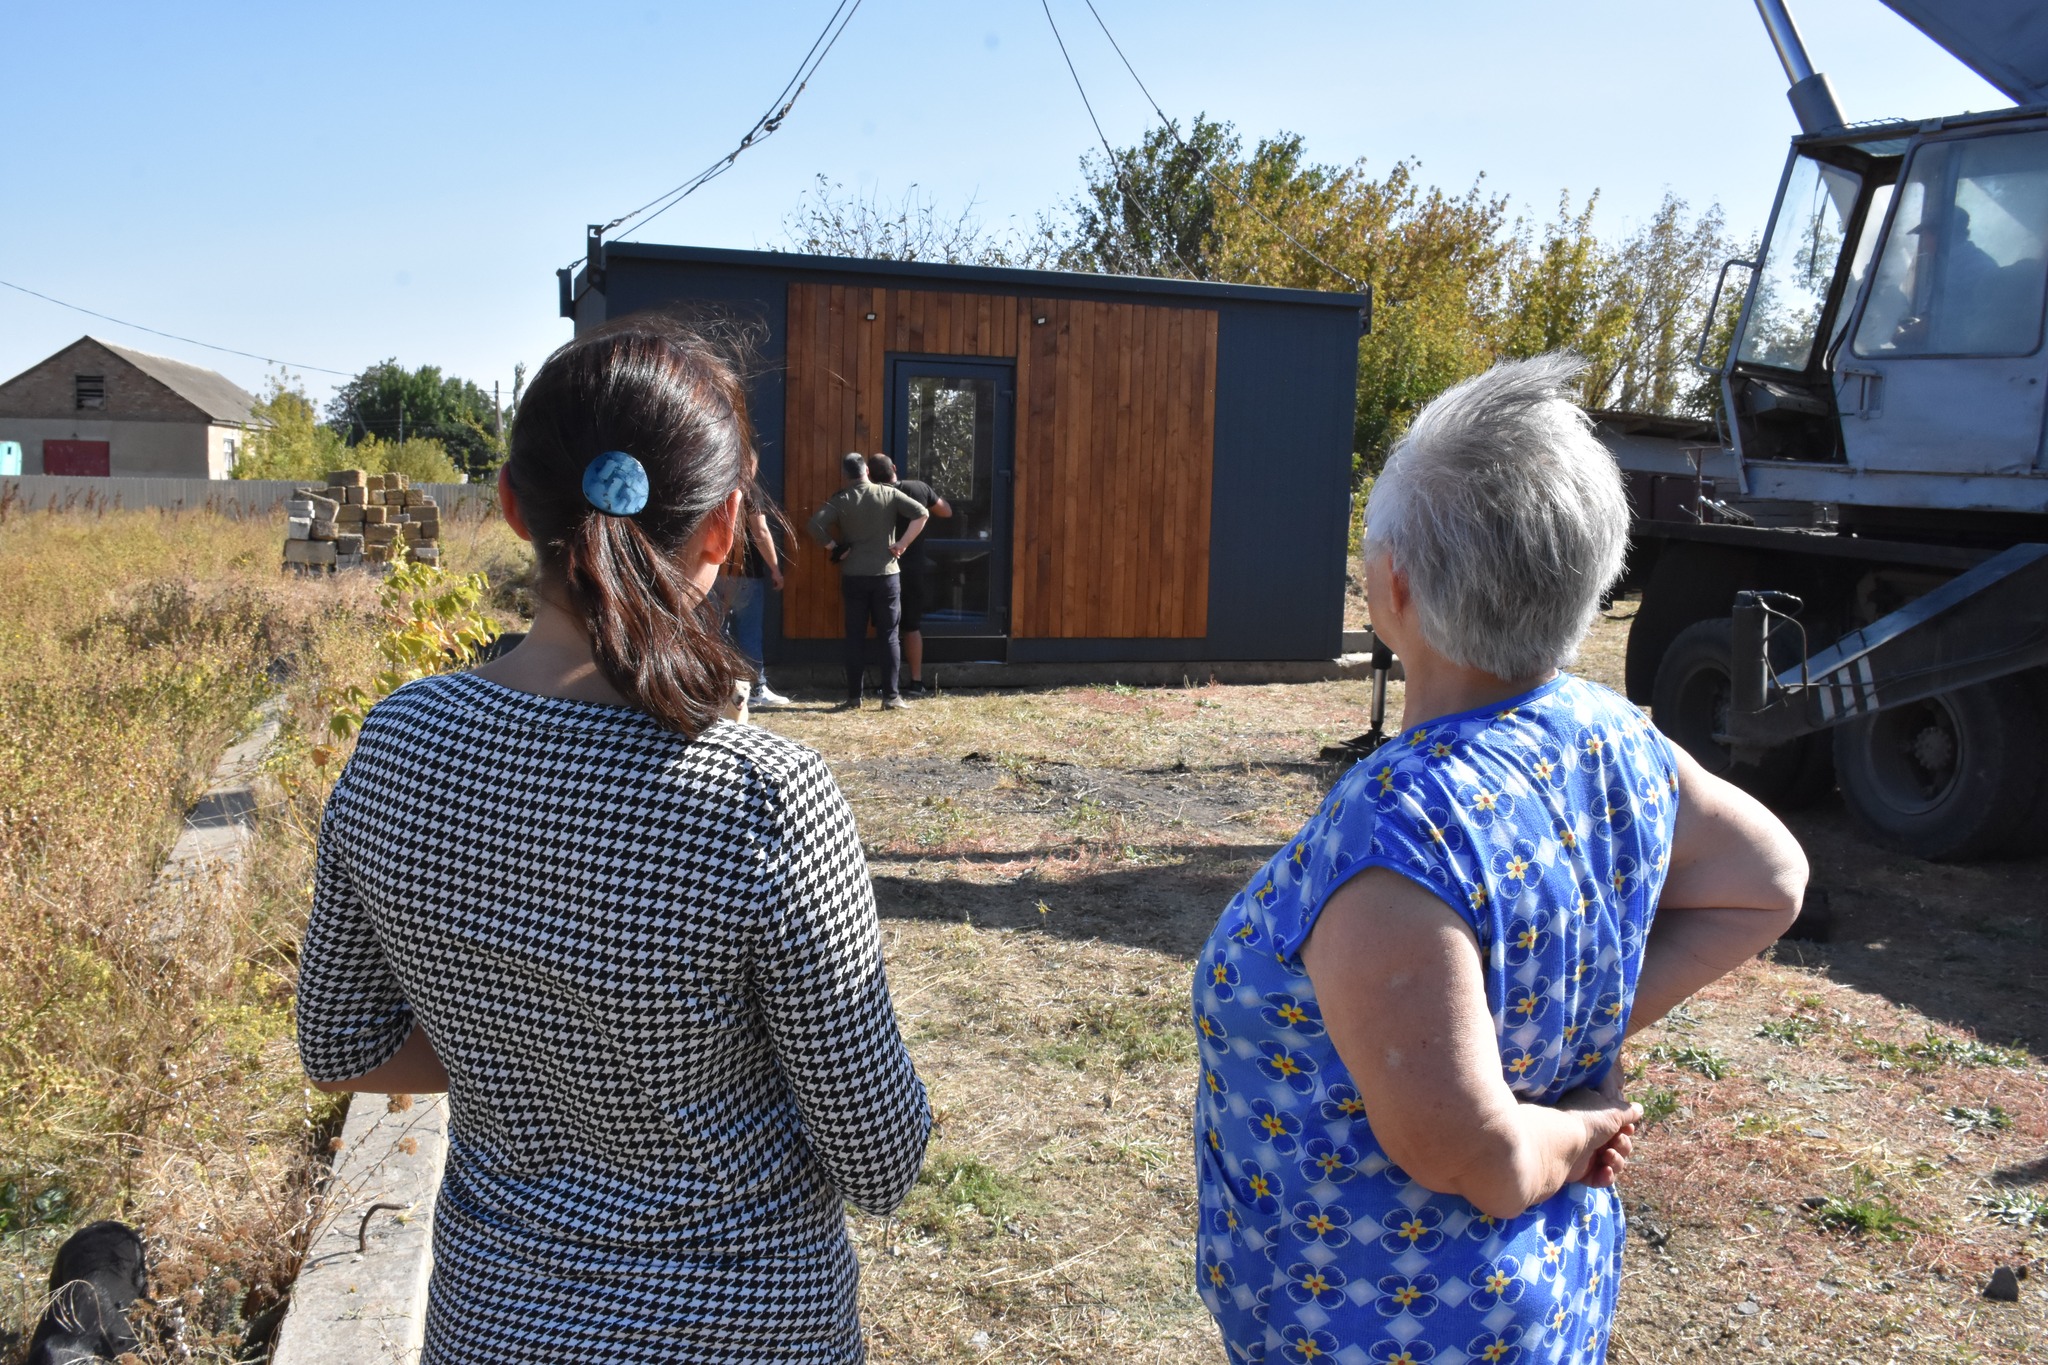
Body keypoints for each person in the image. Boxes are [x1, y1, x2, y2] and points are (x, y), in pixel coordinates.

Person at [296, 323, 932, 1365]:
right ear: (725, 527)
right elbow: (879, 1158)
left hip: (498, 1324)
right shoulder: (761, 795)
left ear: (509, 506)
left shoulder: (397, 744)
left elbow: (342, 1049)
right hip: (745, 1333)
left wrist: (538, 1064)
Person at [1192, 354, 1806, 1364]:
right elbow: (1766, 883)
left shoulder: (1392, 828)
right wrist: (1590, 1032)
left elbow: (1467, 1152)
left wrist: (1569, 1135)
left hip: (1388, 1327)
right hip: (1532, 1299)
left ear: (1390, 583)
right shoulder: (1609, 732)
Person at [807, 451, 927, 711]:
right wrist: (902, 544)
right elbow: (922, 513)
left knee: (855, 637)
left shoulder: (841, 499)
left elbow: (814, 525)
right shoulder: (888, 494)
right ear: (867, 472)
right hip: (887, 575)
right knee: (890, 637)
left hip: (854, 576)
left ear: (846, 474)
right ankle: (891, 697)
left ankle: (854, 697)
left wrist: (835, 547)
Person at [867, 453, 952, 694]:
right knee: (911, 626)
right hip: (914, 567)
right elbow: (946, 511)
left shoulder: (873, 497)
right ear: (894, 468)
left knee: (887, 627)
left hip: (883, 568)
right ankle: (916, 681)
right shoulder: (918, 488)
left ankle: (888, 684)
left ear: (870, 476)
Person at [717, 459, 792, 708]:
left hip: (713, 571)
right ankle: (756, 688)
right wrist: (775, 568)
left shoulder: (713, 484)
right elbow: (760, 532)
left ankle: (718, 689)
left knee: (716, 633)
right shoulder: (749, 491)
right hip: (745, 574)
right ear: (750, 462)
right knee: (749, 634)